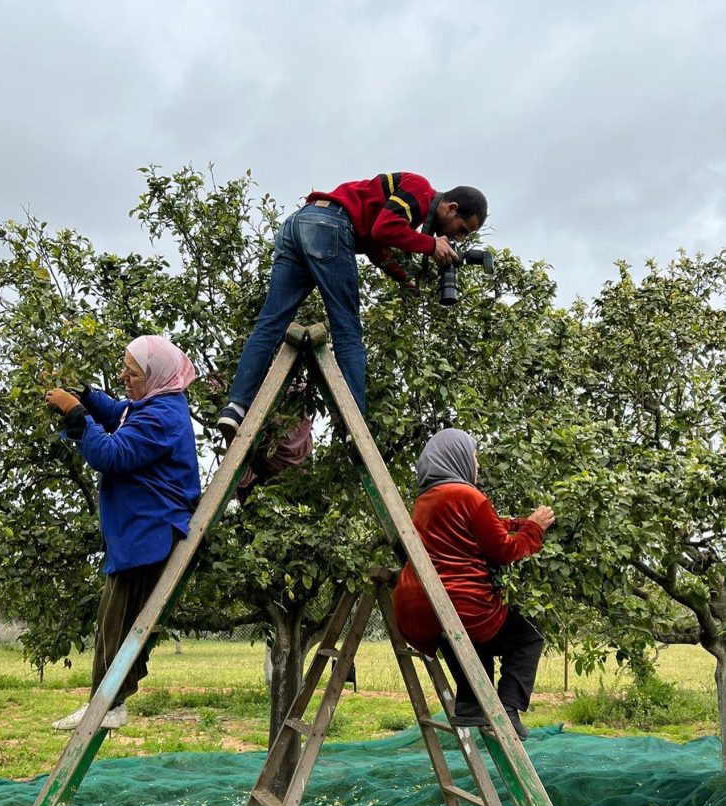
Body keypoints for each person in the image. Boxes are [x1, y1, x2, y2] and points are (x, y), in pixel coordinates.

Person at [217, 174, 489, 442]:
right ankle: (354, 423)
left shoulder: (413, 208)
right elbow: (385, 228)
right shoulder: (420, 189)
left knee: (270, 324)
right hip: (328, 225)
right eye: (463, 229)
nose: (459, 237)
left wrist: (404, 279)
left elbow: (375, 243)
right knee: (347, 329)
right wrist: (430, 245)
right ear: (451, 208)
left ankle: (235, 408)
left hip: (298, 225)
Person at [45, 335, 201, 731]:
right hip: (138, 532)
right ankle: (106, 701)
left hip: (149, 533)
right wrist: (87, 395)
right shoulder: (156, 404)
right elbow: (121, 413)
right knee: (112, 621)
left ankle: (110, 704)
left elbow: (110, 454)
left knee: (119, 624)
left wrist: (78, 416)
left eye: (132, 373)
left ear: (156, 376)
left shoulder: (160, 417)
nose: (123, 377)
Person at [393, 428, 555, 741]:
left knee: (458, 634)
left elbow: (484, 526)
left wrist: (519, 523)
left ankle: (469, 702)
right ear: (457, 458)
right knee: (528, 635)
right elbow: (503, 551)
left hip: (416, 604)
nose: (477, 465)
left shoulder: (424, 501)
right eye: (474, 457)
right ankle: (507, 708)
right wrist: (533, 530)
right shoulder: (469, 496)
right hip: (457, 599)